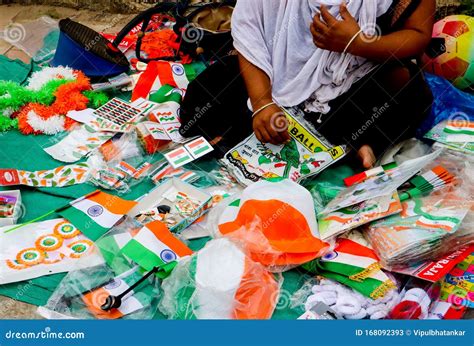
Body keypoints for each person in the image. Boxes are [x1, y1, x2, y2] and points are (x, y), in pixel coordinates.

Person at [179, 0, 436, 168]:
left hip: (347, 91)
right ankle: (335, 145)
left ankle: (363, 143)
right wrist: (261, 103)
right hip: (274, 80)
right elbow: (250, 32)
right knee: (209, 89)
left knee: (410, 88)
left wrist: (357, 43)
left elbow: (418, 35)